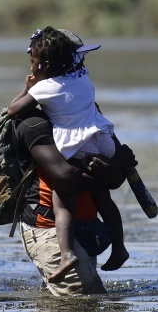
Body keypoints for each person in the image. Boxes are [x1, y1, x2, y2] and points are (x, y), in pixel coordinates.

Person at [5, 27, 129, 283]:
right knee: (105, 201)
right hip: (47, 225)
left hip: (80, 206)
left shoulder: (45, 90)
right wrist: (110, 167)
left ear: (45, 64)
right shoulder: (81, 86)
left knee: (63, 206)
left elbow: (13, 110)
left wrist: (29, 89)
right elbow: (108, 175)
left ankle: (67, 255)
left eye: (33, 62)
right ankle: (119, 247)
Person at [12, 113, 137, 296]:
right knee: (86, 298)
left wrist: (111, 166)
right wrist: (112, 163)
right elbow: (66, 178)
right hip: (50, 228)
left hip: (87, 225)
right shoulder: (33, 123)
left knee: (75, 311)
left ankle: (119, 248)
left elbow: (115, 180)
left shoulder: (90, 113)